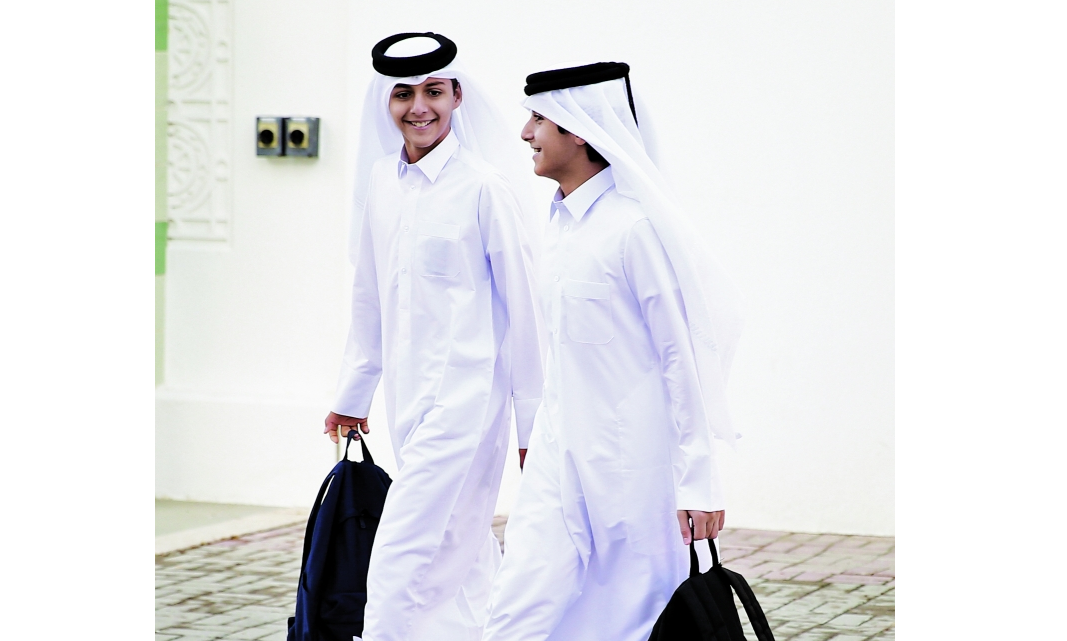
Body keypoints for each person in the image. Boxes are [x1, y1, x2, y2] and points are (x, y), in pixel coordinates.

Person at [482, 62, 744, 641]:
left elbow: (682, 359)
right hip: (557, 459)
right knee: (516, 608)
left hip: (634, 471)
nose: (525, 133)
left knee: (636, 622)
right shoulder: (559, 224)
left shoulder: (634, 229)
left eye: (538, 119)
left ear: (577, 128)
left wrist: (698, 482)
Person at [323, 32, 544, 641]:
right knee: (458, 545)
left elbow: (525, 313)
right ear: (385, 102)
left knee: (401, 545)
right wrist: (354, 393)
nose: (419, 107)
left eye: (434, 92)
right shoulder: (381, 182)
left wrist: (534, 425)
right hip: (408, 399)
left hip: (468, 401)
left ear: (457, 97)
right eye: (404, 94)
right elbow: (370, 296)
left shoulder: (484, 188)